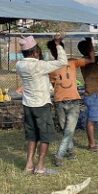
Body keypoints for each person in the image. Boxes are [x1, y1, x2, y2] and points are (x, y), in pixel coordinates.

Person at [15, 34, 68, 174]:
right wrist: (58, 44)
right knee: (45, 135)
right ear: (35, 52)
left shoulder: (19, 65)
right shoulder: (39, 65)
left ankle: (29, 165)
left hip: (28, 105)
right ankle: (40, 166)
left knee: (32, 135)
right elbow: (63, 61)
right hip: (41, 105)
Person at [47, 38, 94, 166]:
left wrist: (90, 42)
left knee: (68, 131)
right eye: (53, 50)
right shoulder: (50, 67)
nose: (56, 52)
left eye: (57, 49)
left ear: (62, 49)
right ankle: (71, 151)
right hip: (59, 102)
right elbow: (53, 84)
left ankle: (59, 155)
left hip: (74, 101)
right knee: (65, 130)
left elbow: (91, 60)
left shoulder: (72, 62)